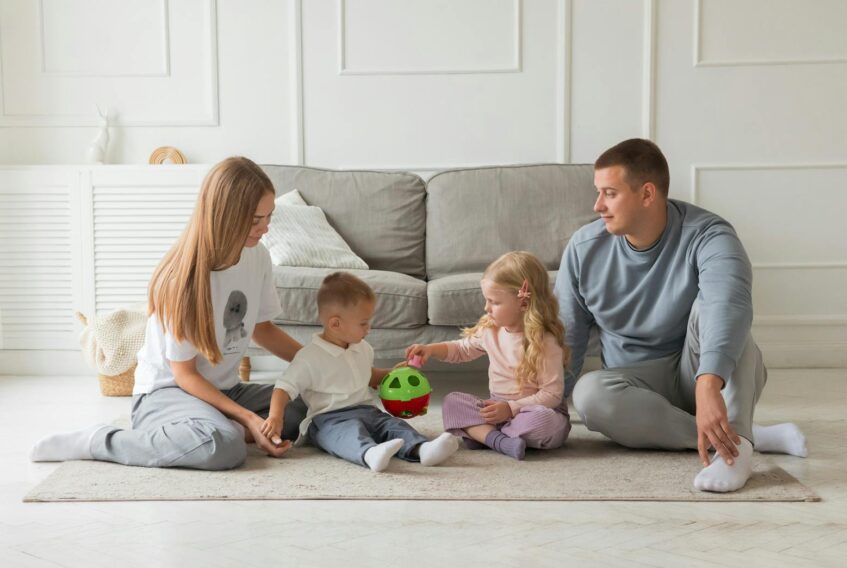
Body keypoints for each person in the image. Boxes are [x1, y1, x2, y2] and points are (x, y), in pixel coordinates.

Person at [555, 138, 807, 492]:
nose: (597, 206)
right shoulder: (584, 248)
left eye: (609, 193)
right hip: (634, 385)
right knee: (589, 395)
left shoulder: (709, 234)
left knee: (722, 315)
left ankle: (733, 455)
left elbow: (729, 302)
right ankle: (740, 438)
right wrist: (546, 407)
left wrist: (708, 382)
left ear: (646, 194)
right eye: (598, 193)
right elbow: (568, 336)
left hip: (702, 373)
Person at [31, 157, 308, 469]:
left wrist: (320, 363)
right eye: (256, 219)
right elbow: (184, 374)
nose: (266, 228)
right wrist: (246, 417)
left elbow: (262, 329)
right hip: (167, 394)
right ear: (227, 217)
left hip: (224, 391)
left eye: (269, 216)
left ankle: (222, 427)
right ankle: (101, 441)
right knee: (223, 448)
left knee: (303, 403)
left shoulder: (257, 256)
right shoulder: (182, 279)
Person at [261, 272, 459, 472]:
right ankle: (369, 453)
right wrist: (275, 417)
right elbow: (283, 388)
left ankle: (421, 449)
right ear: (335, 324)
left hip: (367, 410)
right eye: (363, 323)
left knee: (392, 425)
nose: (368, 328)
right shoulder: (308, 358)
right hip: (328, 418)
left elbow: (368, 376)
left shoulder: (362, 348)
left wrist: (392, 373)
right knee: (348, 434)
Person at [406, 251, 571, 461]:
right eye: (487, 300)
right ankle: (501, 440)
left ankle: (484, 434)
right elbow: (461, 350)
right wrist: (431, 349)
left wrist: (511, 409)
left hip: (532, 410)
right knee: (452, 403)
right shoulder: (490, 329)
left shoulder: (545, 342)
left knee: (543, 422)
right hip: (496, 409)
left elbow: (552, 394)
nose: (486, 308)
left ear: (523, 303)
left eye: (494, 302)